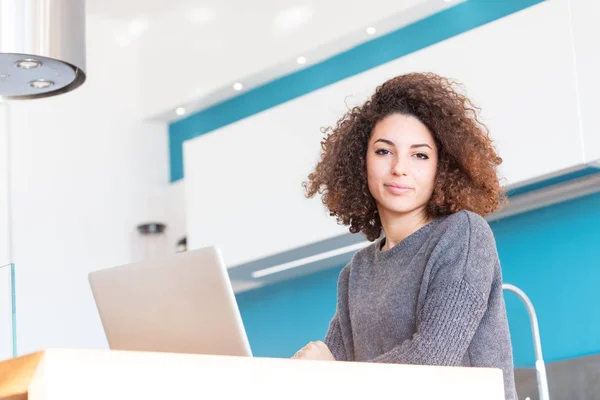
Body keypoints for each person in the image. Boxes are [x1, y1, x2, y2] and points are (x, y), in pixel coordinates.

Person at [293, 72, 517, 399]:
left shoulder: (463, 234)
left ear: (443, 167)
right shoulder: (356, 272)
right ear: (361, 162)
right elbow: (328, 366)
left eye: (420, 155)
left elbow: (432, 359)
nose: (400, 167)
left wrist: (333, 373)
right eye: (384, 151)